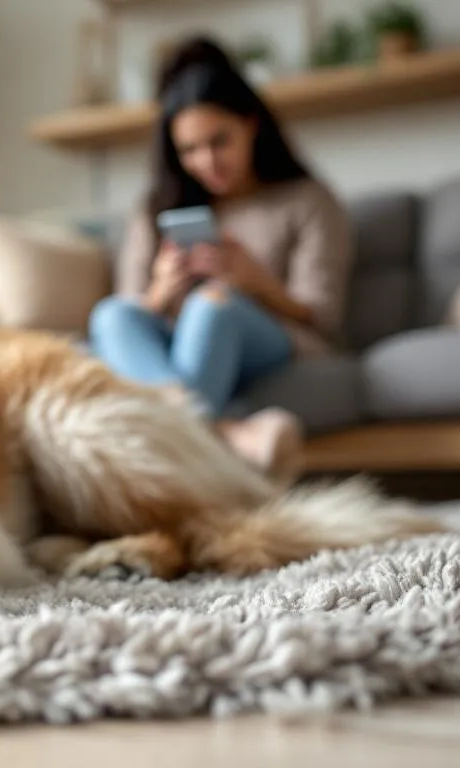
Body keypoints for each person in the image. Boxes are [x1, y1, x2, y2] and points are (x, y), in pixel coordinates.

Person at [88, 36, 354, 481]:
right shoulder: (155, 207)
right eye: (189, 150)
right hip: (173, 346)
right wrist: (159, 292)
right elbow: (134, 311)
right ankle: (226, 436)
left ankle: (186, 446)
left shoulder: (307, 200)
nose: (206, 161)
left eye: (219, 141)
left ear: (251, 125)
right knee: (111, 314)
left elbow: (324, 317)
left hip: (270, 335)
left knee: (214, 303)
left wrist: (256, 283)